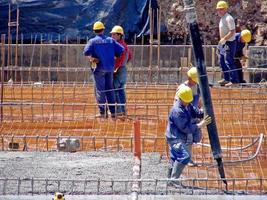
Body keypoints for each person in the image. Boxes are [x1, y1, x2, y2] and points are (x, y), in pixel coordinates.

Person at [166, 85, 212, 186]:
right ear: (181, 98)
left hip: (179, 136)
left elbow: (196, 112)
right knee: (185, 156)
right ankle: (173, 180)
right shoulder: (177, 111)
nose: (188, 102)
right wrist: (200, 125)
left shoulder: (187, 105)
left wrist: (204, 112)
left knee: (174, 158)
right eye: (186, 101)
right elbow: (185, 128)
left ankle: (169, 181)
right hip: (174, 138)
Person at [83, 21, 124, 119]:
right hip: (110, 69)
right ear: (103, 30)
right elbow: (121, 50)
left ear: (94, 31)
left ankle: (103, 113)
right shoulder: (110, 40)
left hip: (99, 69)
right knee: (110, 90)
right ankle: (113, 112)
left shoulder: (92, 41)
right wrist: (114, 56)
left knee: (100, 91)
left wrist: (92, 58)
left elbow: (86, 52)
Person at [173, 67, 203, 167]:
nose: (195, 82)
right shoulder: (182, 88)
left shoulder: (197, 87)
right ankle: (186, 159)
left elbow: (199, 102)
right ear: (190, 78)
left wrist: (199, 113)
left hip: (193, 116)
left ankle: (185, 156)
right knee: (187, 138)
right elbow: (178, 105)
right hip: (184, 117)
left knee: (196, 137)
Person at [110, 25, 132, 116]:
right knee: (121, 90)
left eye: (114, 35)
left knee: (115, 89)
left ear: (119, 35)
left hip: (119, 70)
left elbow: (119, 59)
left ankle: (119, 111)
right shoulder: (125, 45)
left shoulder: (119, 46)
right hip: (123, 69)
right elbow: (130, 56)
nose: (112, 36)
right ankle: (123, 109)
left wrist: (115, 68)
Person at [216, 1, 239, 87]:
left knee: (229, 62)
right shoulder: (222, 18)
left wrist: (224, 38)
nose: (219, 11)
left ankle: (234, 81)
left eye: (221, 9)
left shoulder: (228, 18)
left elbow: (232, 31)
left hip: (229, 43)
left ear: (226, 9)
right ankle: (226, 79)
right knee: (222, 61)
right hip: (223, 43)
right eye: (218, 9)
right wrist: (221, 41)